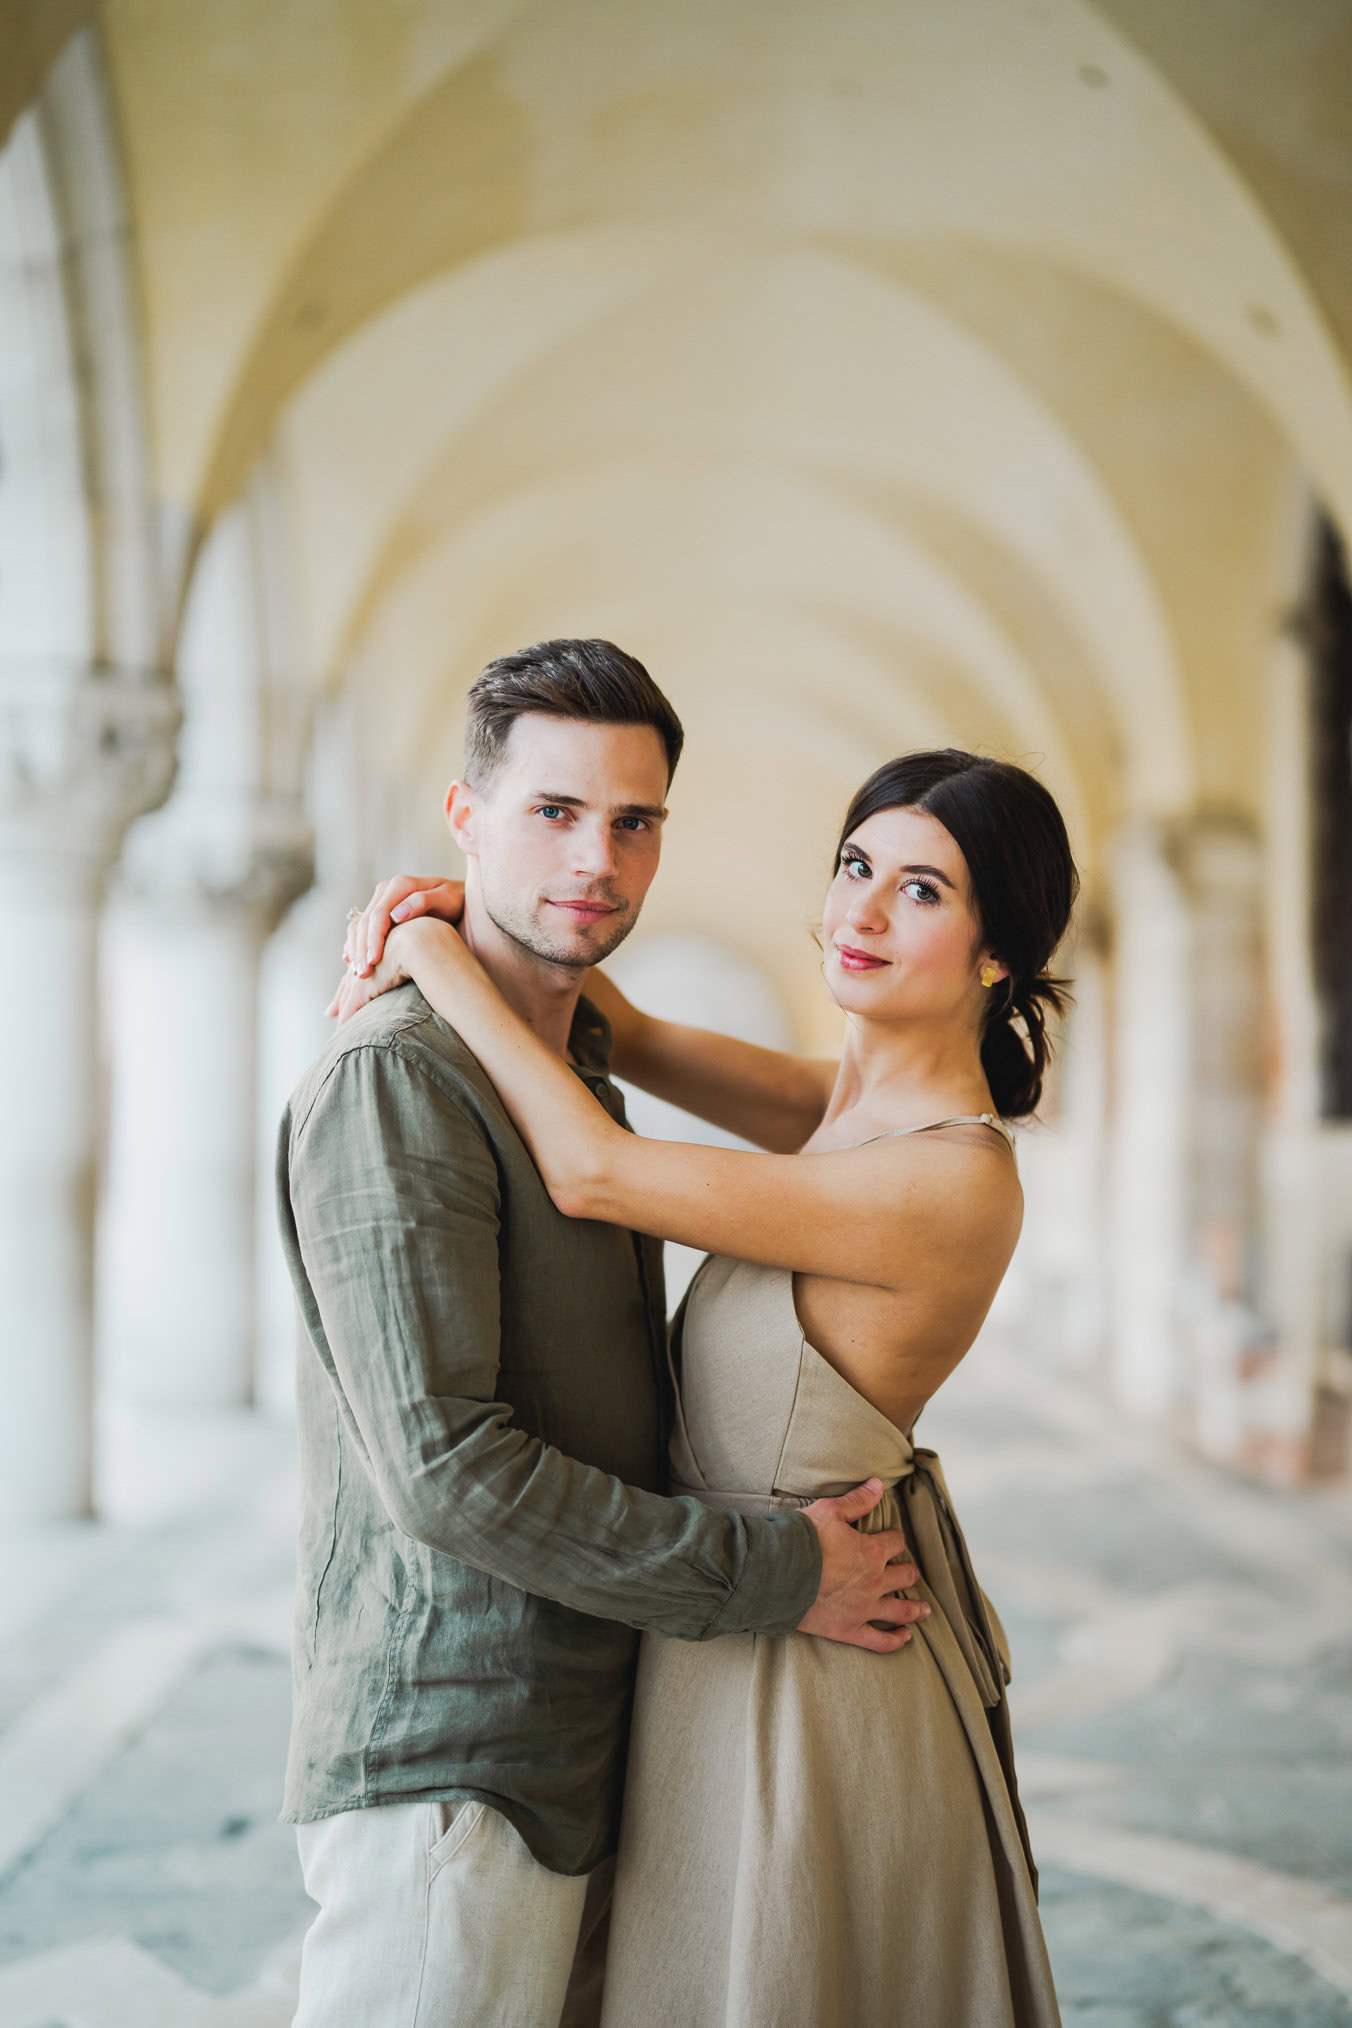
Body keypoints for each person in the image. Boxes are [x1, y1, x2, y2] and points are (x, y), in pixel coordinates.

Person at [338, 744, 1077, 2028]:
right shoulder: (839, 1116)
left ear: (995, 949)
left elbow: (595, 1170)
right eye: (855, 866)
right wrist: (479, 904)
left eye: (920, 892)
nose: (858, 912)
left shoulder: (947, 1177)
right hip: (734, 1619)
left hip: (822, 1669)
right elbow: (630, 1031)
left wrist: (431, 957)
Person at [277, 639, 928, 2028]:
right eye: (554, 813)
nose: (598, 858)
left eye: (634, 822)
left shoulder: (571, 1067)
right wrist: (774, 1573)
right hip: (454, 1761)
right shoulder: (402, 1077)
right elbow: (446, 1468)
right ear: (466, 820)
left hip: (585, 1742)